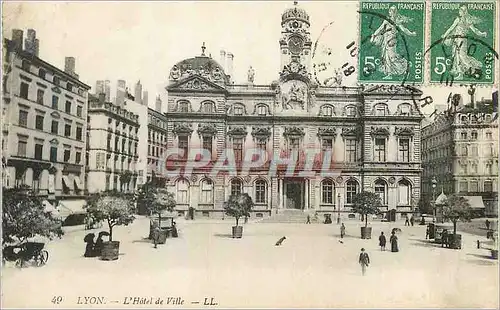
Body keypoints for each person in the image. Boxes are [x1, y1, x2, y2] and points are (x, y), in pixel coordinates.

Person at [440, 5, 488, 79]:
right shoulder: (461, 20)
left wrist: (481, 34)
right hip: (457, 40)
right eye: (459, 11)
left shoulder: (465, 20)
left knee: (462, 56)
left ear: (464, 12)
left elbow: (474, 30)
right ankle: (460, 74)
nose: (459, 12)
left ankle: (472, 68)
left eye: (461, 11)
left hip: (462, 40)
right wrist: (445, 35)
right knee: (457, 55)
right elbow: (451, 28)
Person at [370, 6, 416, 79]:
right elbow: (380, 29)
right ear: (389, 12)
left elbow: (404, 29)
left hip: (391, 40)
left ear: (395, 12)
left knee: (392, 57)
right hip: (385, 40)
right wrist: (375, 34)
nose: (391, 12)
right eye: (390, 11)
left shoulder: (396, 21)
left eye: (393, 11)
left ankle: (405, 67)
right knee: (386, 57)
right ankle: (389, 74)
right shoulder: (386, 20)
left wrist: (411, 33)